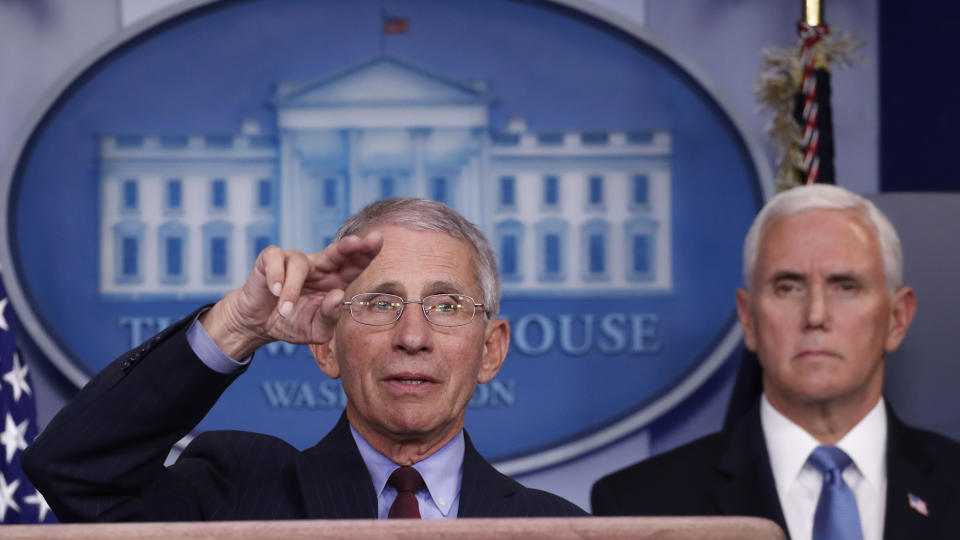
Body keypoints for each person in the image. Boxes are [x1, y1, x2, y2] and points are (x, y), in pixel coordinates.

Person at [24, 197, 584, 521]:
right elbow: (75, 471)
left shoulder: (561, 529)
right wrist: (239, 323)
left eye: (446, 304)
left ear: (491, 349)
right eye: (380, 302)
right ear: (325, 346)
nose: (413, 336)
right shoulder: (235, 490)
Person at [591, 184, 960, 539]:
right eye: (788, 287)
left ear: (897, 318)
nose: (816, 315)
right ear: (748, 318)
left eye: (845, 286)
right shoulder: (642, 507)